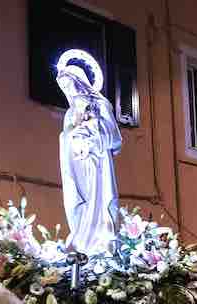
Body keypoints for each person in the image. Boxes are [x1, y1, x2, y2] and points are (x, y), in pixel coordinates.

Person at [56, 53, 123, 256]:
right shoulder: (69, 113)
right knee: (78, 201)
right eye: (64, 87)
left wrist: (93, 135)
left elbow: (115, 138)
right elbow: (65, 139)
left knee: (99, 201)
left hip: (97, 163)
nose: (68, 90)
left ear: (80, 82)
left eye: (70, 84)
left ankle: (101, 243)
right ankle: (81, 239)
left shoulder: (100, 105)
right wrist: (72, 138)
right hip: (77, 164)